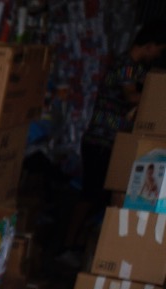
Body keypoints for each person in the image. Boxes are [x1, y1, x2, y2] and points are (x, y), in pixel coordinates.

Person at [69, 20, 166, 248]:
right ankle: (68, 243)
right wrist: (156, 94)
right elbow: (130, 96)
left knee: (103, 197)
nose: (157, 56)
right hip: (100, 140)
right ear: (150, 45)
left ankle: (87, 244)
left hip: (112, 142)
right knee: (90, 195)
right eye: (159, 51)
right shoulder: (125, 64)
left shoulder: (138, 69)